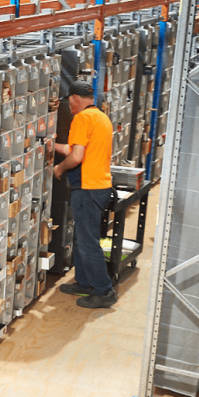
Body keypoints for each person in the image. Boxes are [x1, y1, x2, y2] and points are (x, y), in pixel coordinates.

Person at [53, 80, 118, 309]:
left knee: (88, 241)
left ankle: (103, 291)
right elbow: (77, 149)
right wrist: (53, 146)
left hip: (88, 187)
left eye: (69, 101)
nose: (69, 106)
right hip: (99, 185)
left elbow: (76, 157)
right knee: (82, 237)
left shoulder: (81, 118)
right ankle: (84, 282)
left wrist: (60, 168)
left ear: (74, 99)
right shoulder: (101, 117)